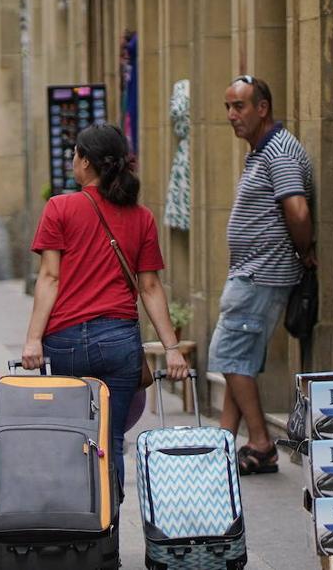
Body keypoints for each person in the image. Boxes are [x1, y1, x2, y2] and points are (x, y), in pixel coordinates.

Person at [21, 123, 188, 494]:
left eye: (75, 155)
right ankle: (108, 529)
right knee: (109, 442)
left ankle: (81, 529)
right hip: (118, 342)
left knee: (72, 438)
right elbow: (149, 286)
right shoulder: (140, 217)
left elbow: (49, 278)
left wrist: (33, 340)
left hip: (63, 341)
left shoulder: (59, 208)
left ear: (85, 161)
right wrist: (172, 348)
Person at [211, 75, 314, 475]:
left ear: (262, 108)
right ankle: (222, 444)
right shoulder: (262, 150)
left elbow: (299, 212)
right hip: (252, 274)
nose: (232, 115)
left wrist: (304, 251)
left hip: (260, 276)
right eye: (228, 108)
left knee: (229, 356)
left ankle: (260, 442)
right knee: (239, 360)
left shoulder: (279, 154)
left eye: (239, 106)